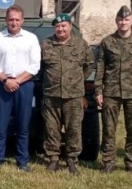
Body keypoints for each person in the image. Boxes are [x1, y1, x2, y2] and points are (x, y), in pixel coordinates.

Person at [95, 6, 132, 175]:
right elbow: (100, 68)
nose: (123, 22)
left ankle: (131, 162)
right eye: (120, 20)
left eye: (127, 20)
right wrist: (98, 90)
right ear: (116, 21)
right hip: (111, 92)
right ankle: (108, 162)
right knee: (108, 129)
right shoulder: (107, 42)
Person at [0, 5, 40, 171]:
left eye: (17, 19)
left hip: (24, 85)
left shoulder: (31, 38)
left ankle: (22, 161)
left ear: (22, 20)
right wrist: (5, 81)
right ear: (6, 20)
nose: (14, 22)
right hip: (2, 85)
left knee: (23, 126)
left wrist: (16, 81)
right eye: (11, 19)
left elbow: (34, 65)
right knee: (0, 125)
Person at [40, 13, 94, 175]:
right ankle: (53, 158)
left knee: (74, 128)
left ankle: (71, 159)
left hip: (74, 95)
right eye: (57, 26)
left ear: (70, 27)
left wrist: (74, 81)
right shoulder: (46, 44)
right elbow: (41, 68)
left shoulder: (81, 45)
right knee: (51, 128)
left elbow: (88, 66)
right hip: (51, 94)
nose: (60, 29)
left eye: (63, 25)